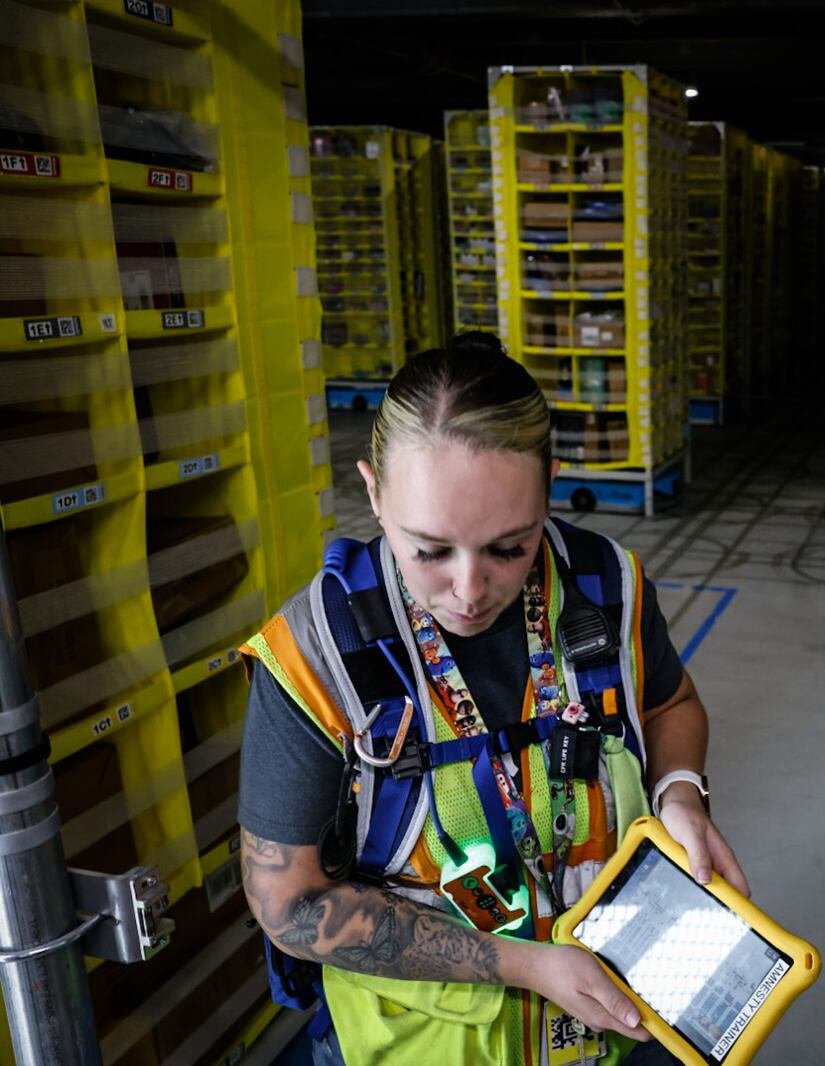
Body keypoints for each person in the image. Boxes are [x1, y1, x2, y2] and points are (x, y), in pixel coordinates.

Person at [237, 332, 748, 1065]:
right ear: (373, 492)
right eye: (430, 550)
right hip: (432, 1046)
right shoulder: (314, 659)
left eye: (511, 546)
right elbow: (292, 907)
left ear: (550, 489)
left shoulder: (608, 588)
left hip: (626, 1013)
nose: (470, 592)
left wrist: (681, 795)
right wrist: (529, 965)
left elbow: (670, 705)